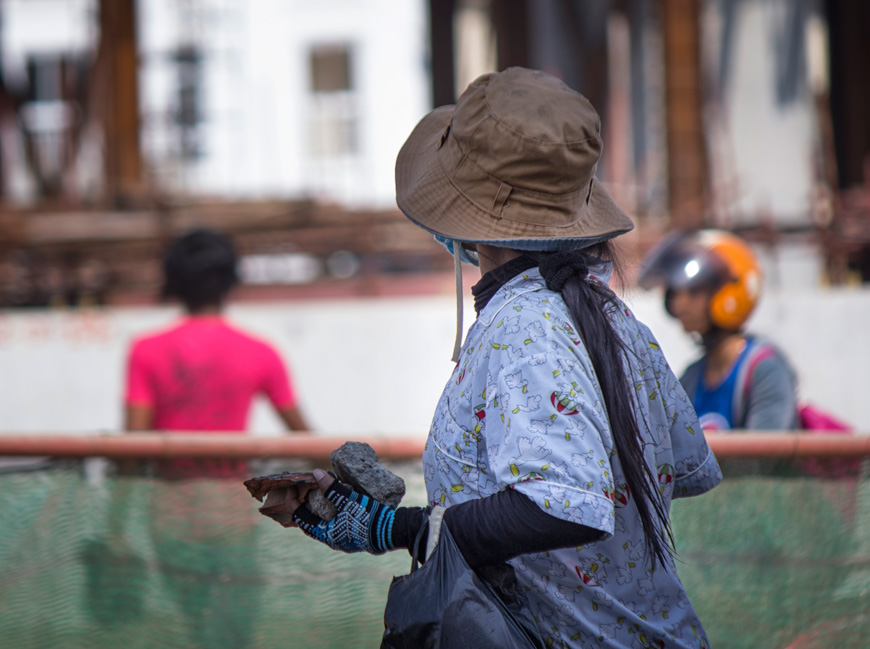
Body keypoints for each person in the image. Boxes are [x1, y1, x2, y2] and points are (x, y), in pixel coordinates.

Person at [285, 68, 722, 648]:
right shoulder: (612, 316)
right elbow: (680, 468)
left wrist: (410, 529)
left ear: (472, 224)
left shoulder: (526, 326)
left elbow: (562, 504)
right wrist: (394, 523)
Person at [124, 227, 311, 477]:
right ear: (230, 280)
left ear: (173, 280)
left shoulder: (145, 349)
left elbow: (131, 449)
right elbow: (305, 440)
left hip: (166, 505)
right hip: (233, 506)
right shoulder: (262, 352)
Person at [638, 229, 798, 433]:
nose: (680, 303)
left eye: (694, 291)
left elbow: (765, 458)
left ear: (729, 291)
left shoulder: (765, 369)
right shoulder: (692, 378)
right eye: (676, 292)